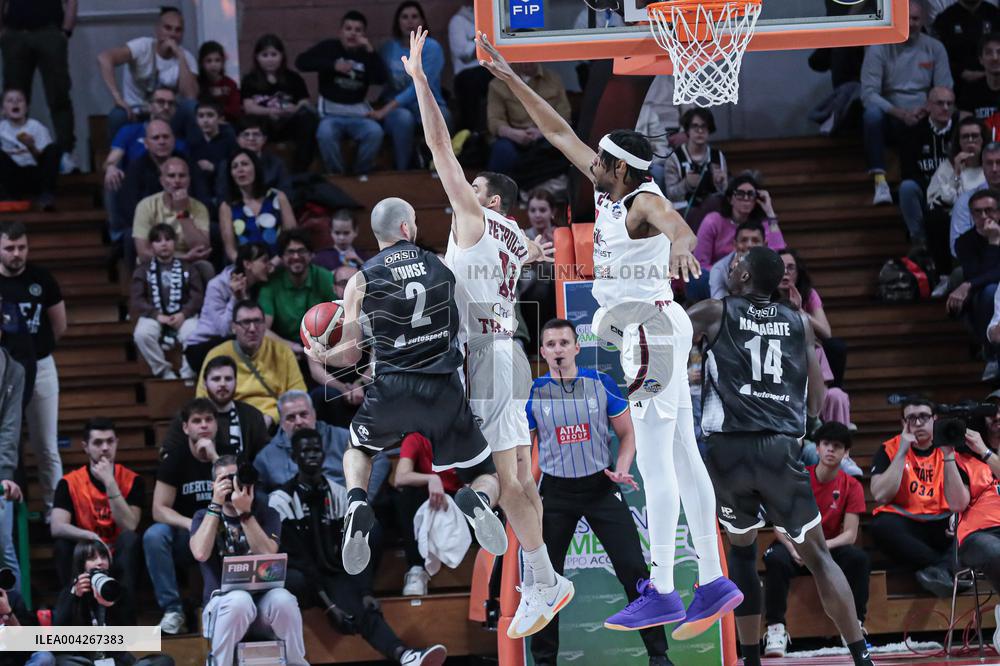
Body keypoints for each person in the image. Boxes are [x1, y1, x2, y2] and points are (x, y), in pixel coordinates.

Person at [478, 31, 741, 639]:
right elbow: (558, 133)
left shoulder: (643, 199)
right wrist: (512, 79)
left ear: (618, 167)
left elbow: (676, 224)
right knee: (681, 454)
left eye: (599, 161)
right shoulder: (608, 187)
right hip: (659, 331)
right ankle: (710, 578)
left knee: (656, 462)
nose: (588, 164)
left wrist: (681, 245)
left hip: (648, 332)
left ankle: (664, 591)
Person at [407, 32, 577, 639]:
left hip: (487, 355)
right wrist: (533, 249)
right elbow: (531, 252)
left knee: (505, 480)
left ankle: (538, 573)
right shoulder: (509, 234)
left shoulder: (477, 221)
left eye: (471, 188)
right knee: (517, 480)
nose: (462, 192)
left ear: (490, 200)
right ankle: (541, 578)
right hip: (504, 350)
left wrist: (422, 82)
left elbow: (435, 145)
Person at [305, 194, 506, 585]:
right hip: (444, 388)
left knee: (359, 449)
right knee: (485, 473)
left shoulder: (360, 279)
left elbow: (349, 357)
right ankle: (478, 499)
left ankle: (357, 502)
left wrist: (319, 353)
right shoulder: (443, 266)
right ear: (405, 228)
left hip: (391, 390)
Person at [685, 246, 873, 666]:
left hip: (729, 452)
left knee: (741, 552)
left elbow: (664, 335)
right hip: (779, 449)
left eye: (735, 267)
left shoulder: (715, 311)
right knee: (820, 558)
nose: (730, 271)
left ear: (747, 278)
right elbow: (816, 402)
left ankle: (751, 660)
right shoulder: (800, 322)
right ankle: (861, 657)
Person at [527, 318, 670, 666]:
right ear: (543, 352)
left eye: (564, 342)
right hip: (556, 494)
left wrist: (622, 467)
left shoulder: (601, 384)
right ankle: (544, 662)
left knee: (633, 568)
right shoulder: (534, 392)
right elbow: (522, 450)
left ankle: (659, 657)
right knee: (545, 582)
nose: (558, 349)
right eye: (551, 344)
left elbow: (628, 435)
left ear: (578, 347)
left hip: (601, 487)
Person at [270, 429, 447, 666]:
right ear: (294, 457)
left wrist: (365, 591)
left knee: (360, 598)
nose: (312, 455)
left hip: (333, 571)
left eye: (316, 450)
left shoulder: (339, 494)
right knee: (296, 580)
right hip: (302, 578)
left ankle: (405, 655)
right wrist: (329, 606)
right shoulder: (280, 500)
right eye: (305, 451)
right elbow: (299, 559)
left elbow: (356, 546)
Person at [762, 421, 871, 658]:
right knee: (775, 559)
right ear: (818, 448)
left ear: (846, 453)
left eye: (838, 446)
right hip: (795, 546)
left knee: (859, 559)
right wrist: (794, 549)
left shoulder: (852, 485)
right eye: (826, 444)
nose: (831, 449)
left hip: (827, 548)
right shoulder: (798, 479)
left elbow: (850, 535)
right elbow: (779, 526)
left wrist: (819, 549)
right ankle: (775, 629)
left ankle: (855, 626)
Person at [189, 456, 307, 666]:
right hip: (222, 606)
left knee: (284, 600)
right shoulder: (202, 516)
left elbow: (268, 555)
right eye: (225, 479)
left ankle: (296, 663)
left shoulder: (267, 514)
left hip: (262, 606)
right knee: (239, 601)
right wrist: (215, 504)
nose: (232, 484)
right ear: (212, 485)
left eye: (236, 478)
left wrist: (245, 513)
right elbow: (200, 553)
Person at [0, 221, 65, 517]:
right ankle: (9, 509)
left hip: (40, 365)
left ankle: (55, 510)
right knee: (8, 440)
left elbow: (59, 325)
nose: (17, 254)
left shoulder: (42, 278)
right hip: (3, 369)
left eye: (22, 247)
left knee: (46, 445)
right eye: (10, 248)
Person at [860, 0, 953, 205]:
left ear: (922, 21)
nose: (911, 24)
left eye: (915, 19)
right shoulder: (878, 47)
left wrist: (927, 109)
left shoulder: (934, 48)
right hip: (892, 115)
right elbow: (868, 93)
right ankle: (880, 181)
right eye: (906, 19)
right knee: (871, 115)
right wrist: (900, 113)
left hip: (926, 114)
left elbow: (945, 87)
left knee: (949, 111)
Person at [50, 419, 143, 616]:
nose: (105, 448)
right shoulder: (69, 482)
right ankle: (73, 609)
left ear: (117, 442)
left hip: (118, 551)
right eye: (98, 443)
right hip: (88, 551)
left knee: (130, 540)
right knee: (62, 544)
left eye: (110, 441)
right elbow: (57, 526)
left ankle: (125, 616)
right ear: (85, 447)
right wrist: (90, 536)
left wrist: (110, 482)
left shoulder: (132, 480)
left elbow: (130, 525)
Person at [145, 398, 221, 634]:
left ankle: (221, 602)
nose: (203, 425)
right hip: (185, 535)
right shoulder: (175, 459)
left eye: (208, 419)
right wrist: (192, 524)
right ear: (186, 428)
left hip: (223, 530)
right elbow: (159, 509)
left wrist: (215, 458)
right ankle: (173, 610)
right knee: (154, 536)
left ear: (216, 424)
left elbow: (240, 498)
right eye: (197, 421)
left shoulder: (227, 454)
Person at [869, 398, 956, 596]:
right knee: (880, 526)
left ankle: (937, 570)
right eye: (911, 418)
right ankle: (942, 569)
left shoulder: (950, 446)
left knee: (971, 524)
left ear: (935, 419)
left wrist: (958, 515)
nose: (917, 423)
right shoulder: (889, 449)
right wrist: (902, 452)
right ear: (903, 423)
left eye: (924, 417)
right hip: (908, 524)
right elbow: (881, 495)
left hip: (943, 522)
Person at [297, 11, 389, 178]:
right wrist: (332, 65)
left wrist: (370, 51)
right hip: (331, 113)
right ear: (340, 32)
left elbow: (381, 79)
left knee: (375, 132)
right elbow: (301, 62)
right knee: (325, 133)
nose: (353, 33)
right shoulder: (329, 47)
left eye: (358, 30)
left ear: (363, 35)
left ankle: (361, 172)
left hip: (357, 113)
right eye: (348, 28)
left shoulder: (366, 54)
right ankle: (337, 175)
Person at [54, 540, 174, 666]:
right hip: (85, 661)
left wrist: (112, 605)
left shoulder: (120, 591)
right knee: (60, 661)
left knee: (164, 661)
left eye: (103, 557)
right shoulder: (70, 593)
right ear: (81, 564)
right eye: (92, 558)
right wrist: (75, 597)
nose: (100, 562)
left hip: (116, 661)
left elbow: (131, 638)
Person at [254, 390, 390, 495]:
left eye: (303, 414)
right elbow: (257, 493)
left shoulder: (340, 437)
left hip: (341, 510)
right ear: (282, 423)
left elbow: (379, 459)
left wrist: (362, 497)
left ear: (314, 414)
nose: (299, 422)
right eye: (290, 418)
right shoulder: (266, 457)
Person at [96, 6, 197, 141]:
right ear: (157, 29)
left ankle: (191, 159)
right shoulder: (142, 46)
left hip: (168, 114)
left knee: (191, 108)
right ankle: (116, 160)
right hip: (136, 112)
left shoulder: (186, 58)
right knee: (117, 115)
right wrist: (117, 97)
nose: (172, 34)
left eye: (178, 30)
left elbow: (191, 96)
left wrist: (180, 56)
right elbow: (104, 58)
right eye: (167, 28)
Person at [197, 300, 306, 425]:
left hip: (275, 421)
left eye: (257, 321)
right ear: (233, 327)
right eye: (246, 322)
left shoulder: (283, 352)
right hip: (232, 422)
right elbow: (202, 399)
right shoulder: (217, 354)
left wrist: (272, 417)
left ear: (265, 325)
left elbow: (299, 396)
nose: (252, 329)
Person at [0, 0, 78, 173]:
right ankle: (13, 153)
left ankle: (65, 153)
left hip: (49, 32)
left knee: (59, 95)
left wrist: (65, 31)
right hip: (15, 33)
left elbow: (72, 1)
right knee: (13, 98)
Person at [777, 248, 852, 423]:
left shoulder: (808, 293)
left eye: (790, 268)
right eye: (780, 267)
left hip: (805, 347)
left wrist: (799, 310)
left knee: (833, 347)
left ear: (798, 272)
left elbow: (826, 332)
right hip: (777, 354)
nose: (785, 273)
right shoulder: (762, 296)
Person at [376, 2, 450, 171]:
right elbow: (377, 76)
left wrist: (385, 110)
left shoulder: (432, 47)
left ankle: (440, 170)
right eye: (404, 17)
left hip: (428, 103)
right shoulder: (388, 48)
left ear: (422, 21)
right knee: (403, 119)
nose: (409, 21)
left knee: (445, 115)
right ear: (397, 22)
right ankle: (403, 172)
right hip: (397, 108)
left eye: (414, 16)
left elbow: (420, 87)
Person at [392, 432, 464, 595]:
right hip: (428, 501)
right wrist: (432, 479)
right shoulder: (416, 438)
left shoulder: (464, 436)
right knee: (407, 495)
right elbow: (400, 477)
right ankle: (416, 569)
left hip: (458, 500)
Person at [158, 355, 270, 461]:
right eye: (216, 379)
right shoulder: (188, 415)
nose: (222, 384)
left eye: (228, 379)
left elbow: (265, 458)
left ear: (236, 382)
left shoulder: (252, 415)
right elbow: (166, 453)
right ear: (205, 383)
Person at [129, 224, 204, 380]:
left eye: (168, 239)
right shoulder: (143, 270)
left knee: (194, 332)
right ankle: (163, 370)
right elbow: (137, 299)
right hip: (154, 315)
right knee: (141, 334)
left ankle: (187, 373)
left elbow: (197, 295)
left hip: (184, 315)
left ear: (174, 242)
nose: (164, 244)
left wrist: (184, 313)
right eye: (158, 240)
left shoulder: (188, 268)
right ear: (151, 246)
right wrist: (156, 315)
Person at [184, 242, 272, 374]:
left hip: (231, 343)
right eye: (264, 261)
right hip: (202, 347)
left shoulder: (257, 287)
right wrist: (235, 298)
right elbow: (224, 330)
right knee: (244, 341)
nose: (269, 267)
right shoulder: (216, 285)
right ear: (248, 264)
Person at [486, 60, 570, 187]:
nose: (527, 62)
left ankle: (543, 196)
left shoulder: (553, 80)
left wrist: (541, 132)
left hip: (546, 135)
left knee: (560, 148)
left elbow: (565, 115)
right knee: (502, 150)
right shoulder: (497, 84)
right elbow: (495, 121)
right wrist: (513, 133)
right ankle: (501, 194)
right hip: (513, 136)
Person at [241, 33, 317, 173]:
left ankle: (300, 171)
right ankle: (258, 170)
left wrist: (293, 110)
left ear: (281, 56)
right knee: (249, 123)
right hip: (265, 124)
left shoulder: (293, 78)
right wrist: (270, 112)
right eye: (265, 55)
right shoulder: (249, 80)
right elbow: (248, 107)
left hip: (288, 122)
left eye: (274, 54)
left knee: (308, 118)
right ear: (257, 58)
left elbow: (305, 102)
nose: (270, 60)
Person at [948, 188, 1000, 379]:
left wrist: (968, 284)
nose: (984, 216)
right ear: (971, 215)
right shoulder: (965, 242)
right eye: (978, 212)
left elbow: (976, 278)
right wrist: (994, 243)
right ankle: (992, 354)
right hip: (983, 298)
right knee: (989, 291)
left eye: (989, 210)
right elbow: (980, 275)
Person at [899, 86, 957, 251]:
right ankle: (919, 241)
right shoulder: (912, 133)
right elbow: (908, 172)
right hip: (926, 191)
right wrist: (933, 191)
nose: (945, 108)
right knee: (907, 188)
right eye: (940, 103)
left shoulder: (961, 131)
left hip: (957, 190)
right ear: (928, 106)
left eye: (949, 103)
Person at [259, 229, 334, 355]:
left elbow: (341, 317)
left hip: (322, 346)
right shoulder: (271, 285)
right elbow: (262, 329)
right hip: (284, 348)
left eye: (301, 251)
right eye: (290, 252)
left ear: (311, 255)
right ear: (282, 257)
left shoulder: (325, 278)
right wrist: (291, 347)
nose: (296, 257)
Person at [131, 156, 212, 265]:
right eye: (171, 176)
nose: (177, 180)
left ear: (189, 180)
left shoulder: (199, 207)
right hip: (154, 264)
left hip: (189, 266)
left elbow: (202, 249)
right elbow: (143, 253)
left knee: (205, 266)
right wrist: (182, 258)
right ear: (162, 180)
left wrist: (182, 212)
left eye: (182, 176)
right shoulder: (145, 205)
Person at [219, 148, 296, 262]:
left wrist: (275, 263)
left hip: (280, 264)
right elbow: (231, 251)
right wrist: (248, 268)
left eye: (244, 164)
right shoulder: (227, 207)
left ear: (256, 168)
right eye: (235, 166)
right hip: (247, 270)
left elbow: (293, 237)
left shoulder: (278, 197)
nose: (240, 169)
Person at [0, 88, 59, 208]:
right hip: (12, 175)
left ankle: (47, 195)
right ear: (3, 110)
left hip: (35, 173)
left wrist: (31, 147)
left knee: (54, 149)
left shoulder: (36, 127)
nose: (15, 103)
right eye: (10, 101)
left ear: (26, 108)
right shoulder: (1, 128)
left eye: (19, 100)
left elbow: (43, 160)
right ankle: (8, 196)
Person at [661, 108, 728, 213]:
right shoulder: (675, 158)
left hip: (712, 211)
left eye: (704, 126)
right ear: (687, 130)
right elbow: (671, 195)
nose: (700, 131)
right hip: (684, 212)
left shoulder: (717, 156)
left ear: (709, 129)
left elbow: (725, 193)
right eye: (695, 126)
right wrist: (686, 184)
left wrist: (719, 183)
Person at [213, 117, 292, 205]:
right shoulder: (226, 164)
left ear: (264, 139)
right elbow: (222, 196)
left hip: (271, 210)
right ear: (238, 139)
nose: (251, 138)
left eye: (256, 134)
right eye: (246, 134)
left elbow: (286, 194)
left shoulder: (277, 164)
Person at [0, 338, 24, 590]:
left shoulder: (13, 370)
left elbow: (10, 428)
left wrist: (5, 474)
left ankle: (18, 618)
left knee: (3, 546)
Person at [934, 0, 1000, 88]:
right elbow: (939, 55)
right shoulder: (945, 18)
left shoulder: (994, 14)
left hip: (994, 80)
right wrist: (960, 72)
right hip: (957, 84)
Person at [448, 4, 491, 132]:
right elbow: (464, 54)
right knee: (470, 82)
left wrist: (476, 40)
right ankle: (470, 134)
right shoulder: (458, 21)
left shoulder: (500, 16)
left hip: (495, 69)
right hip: (469, 73)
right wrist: (488, 40)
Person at [188, 100, 237, 202]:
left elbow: (235, 166)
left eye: (210, 115)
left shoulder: (229, 140)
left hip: (226, 192)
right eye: (201, 116)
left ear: (219, 119)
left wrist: (215, 167)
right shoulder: (193, 141)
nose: (205, 120)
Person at [708, 220, 766, 300]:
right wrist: (733, 279)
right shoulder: (719, 269)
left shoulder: (773, 265)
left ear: (765, 245)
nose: (749, 245)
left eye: (755, 240)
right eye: (744, 240)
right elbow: (720, 303)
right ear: (735, 245)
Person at [196, 40, 241, 124]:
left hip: (226, 122)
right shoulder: (197, 83)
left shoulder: (230, 84)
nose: (213, 65)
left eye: (217, 60)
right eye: (209, 61)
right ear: (201, 63)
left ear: (223, 62)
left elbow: (235, 109)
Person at [958, 32, 1000, 120]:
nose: (995, 58)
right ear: (981, 60)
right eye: (989, 53)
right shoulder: (971, 92)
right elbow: (965, 127)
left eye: (999, 52)